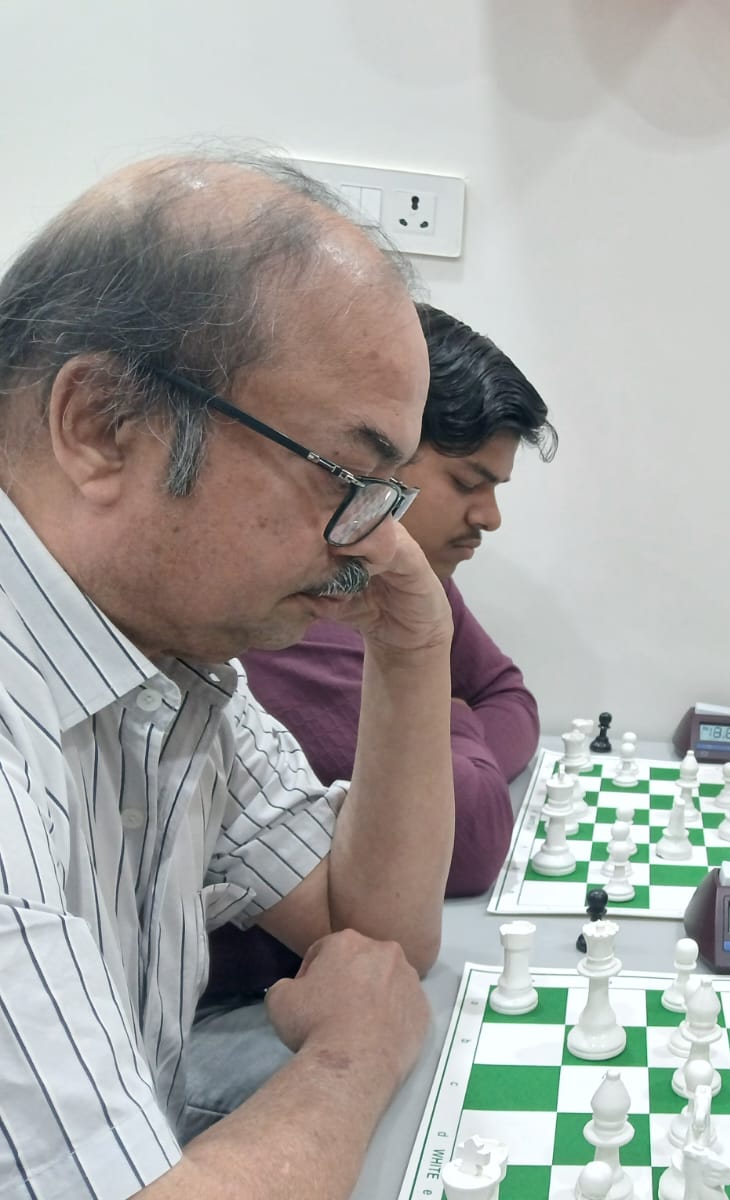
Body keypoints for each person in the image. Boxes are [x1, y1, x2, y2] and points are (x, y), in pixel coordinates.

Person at [0, 153, 455, 1198]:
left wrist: (411, 649)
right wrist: (348, 1059)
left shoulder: (171, 658)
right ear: (103, 426)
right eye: (347, 477)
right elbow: (370, 1000)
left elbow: (377, 937)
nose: (372, 545)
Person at [181, 305, 553, 1133]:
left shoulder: (397, 590)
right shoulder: (282, 618)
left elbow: (508, 699)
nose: (490, 518)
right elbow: (474, 826)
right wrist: (442, 710)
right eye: (468, 483)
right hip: (219, 1013)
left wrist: (429, 685)